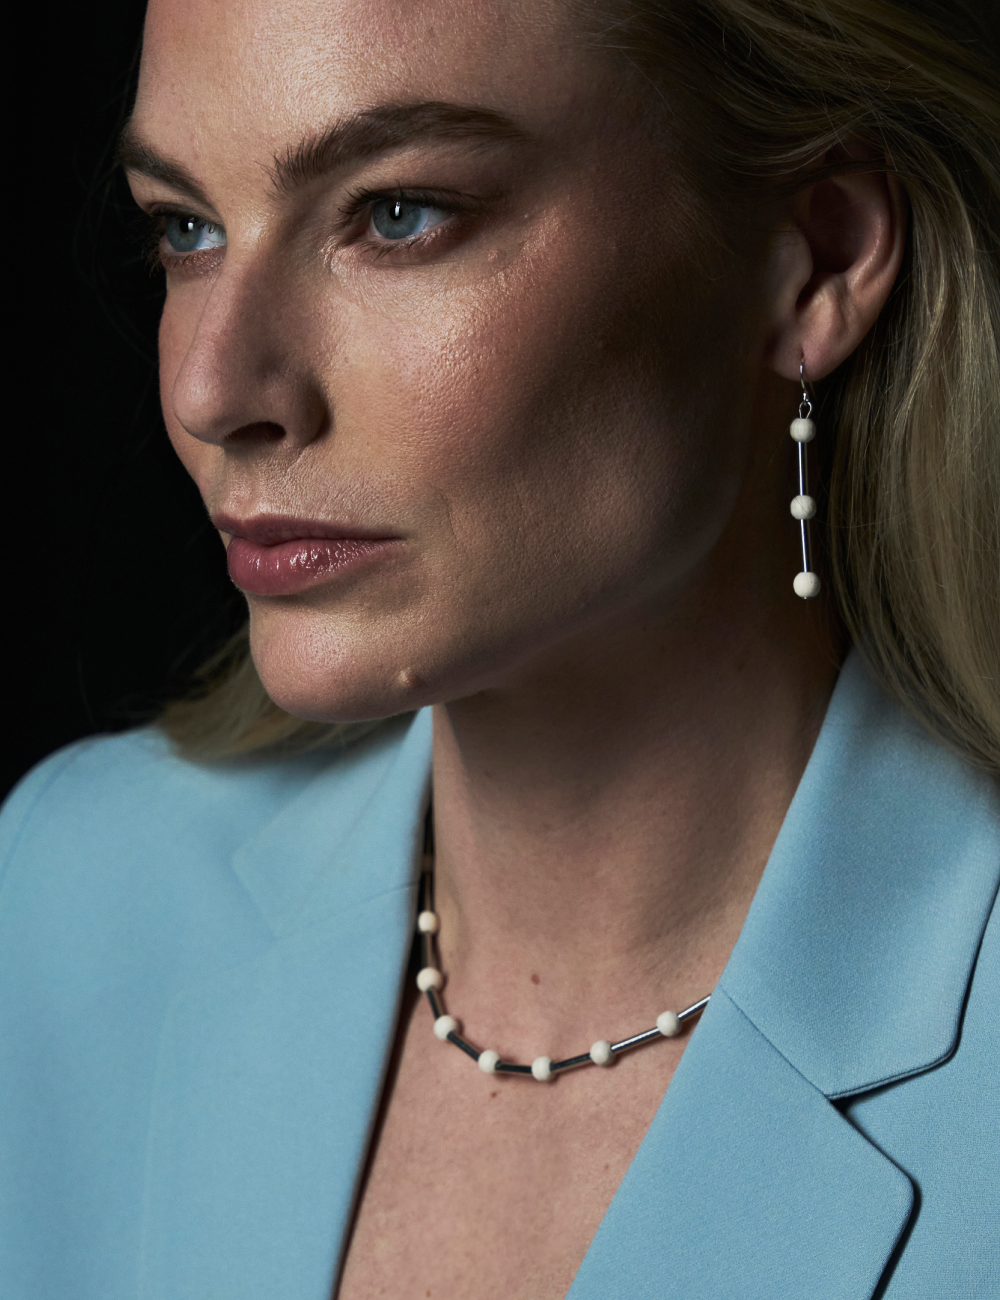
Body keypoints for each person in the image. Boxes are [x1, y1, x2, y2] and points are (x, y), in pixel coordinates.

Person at [2, 0, 998, 1296]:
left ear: (818, 256)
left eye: (397, 214)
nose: (214, 390)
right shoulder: (71, 901)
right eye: (186, 229)